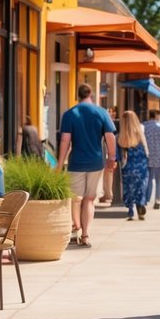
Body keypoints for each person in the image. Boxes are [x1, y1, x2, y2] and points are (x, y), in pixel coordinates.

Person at [58, 84, 117, 247]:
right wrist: (112, 158)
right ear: (91, 94)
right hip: (95, 162)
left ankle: (75, 228)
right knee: (89, 199)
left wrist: (59, 163)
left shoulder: (70, 114)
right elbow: (110, 137)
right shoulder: (101, 112)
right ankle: (85, 235)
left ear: (77, 95)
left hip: (76, 162)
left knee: (76, 199)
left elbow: (65, 140)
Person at [117, 111, 151, 221]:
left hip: (128, 166)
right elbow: (146, 150)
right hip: (141, 165)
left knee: (129, 188)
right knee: (141, 187)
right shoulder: (141, 131)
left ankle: (130, 210)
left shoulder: (120, 136)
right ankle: (140, 204)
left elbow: (119, 155)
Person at [143, 109, 160, 209]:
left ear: (149, 116)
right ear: (156, 115)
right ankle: (157, 200)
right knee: (158, 180)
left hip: (148, 156)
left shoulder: (144, 126)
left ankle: (147, 199)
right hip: (159, 156)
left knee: (148, 179)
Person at [99, 106, 121, 204]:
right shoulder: (108, 122)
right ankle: (107, 193)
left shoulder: (114, 123)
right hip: (108, 150)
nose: (112, 113)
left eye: (113, 112)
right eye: (110, 112)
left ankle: (109, 194)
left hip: (111, 151)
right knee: (107, 174)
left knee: (109, 173)